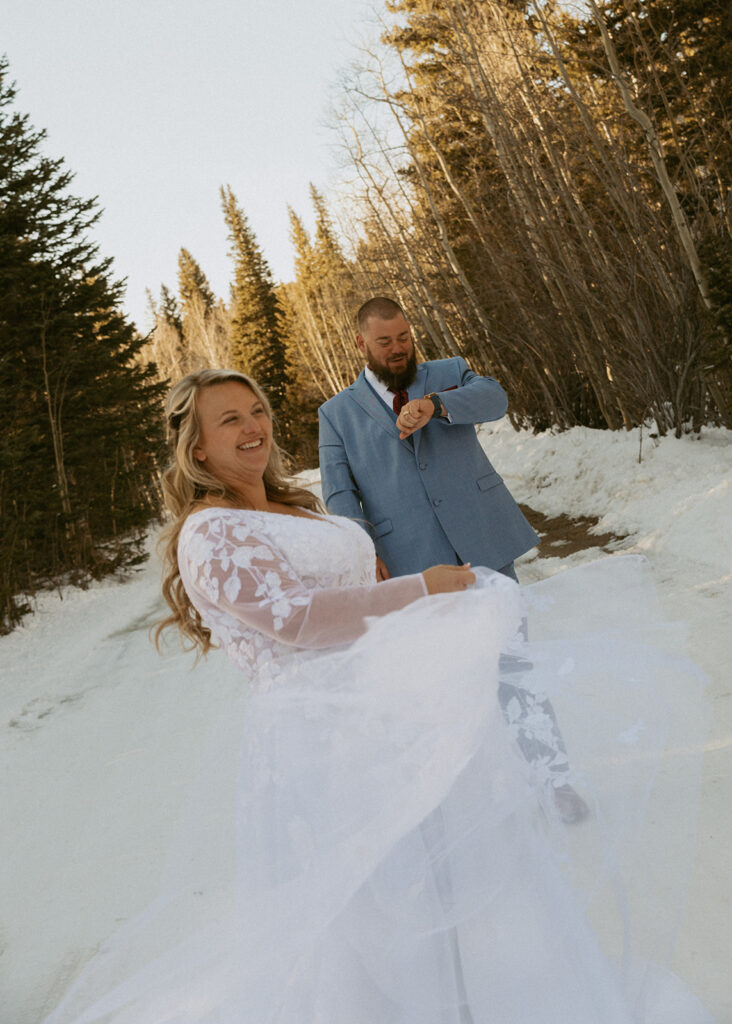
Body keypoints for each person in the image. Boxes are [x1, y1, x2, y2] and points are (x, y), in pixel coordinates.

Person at [42, 368, 713, 1024]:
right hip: (319, 736)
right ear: (196, 448)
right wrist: (422, 590)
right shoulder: (212, 532)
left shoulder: (286, 505)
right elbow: (297, 621)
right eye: (231, 420)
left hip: (384, 713)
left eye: (257, 410)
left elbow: (351, 590)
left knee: (454, 886)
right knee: (382, 909)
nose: (254, 427)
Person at [318, 296, 587, 822]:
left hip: (484, 544)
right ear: (360, 344)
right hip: (413, 567)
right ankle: (457, 807)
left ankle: (554, 782)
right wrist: (362, 544)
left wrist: (437, 405)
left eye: (403, 338)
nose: (398, 350)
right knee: (441, 685)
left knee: (515, 670)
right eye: (384, 342)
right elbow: (338, 493)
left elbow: (495, 399)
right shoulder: (335, 414)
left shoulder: (448, 373)